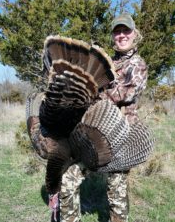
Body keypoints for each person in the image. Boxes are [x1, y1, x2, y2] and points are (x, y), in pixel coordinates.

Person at [59, 13, 148, 222]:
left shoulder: (138, 64)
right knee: (68, 179)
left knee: (116, 194)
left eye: (126, 30)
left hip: (122, 138)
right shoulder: (108, 62)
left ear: (134, 34)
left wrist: (93, 94)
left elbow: (126, 93)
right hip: (96, 136)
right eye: (117, 31)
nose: (121, 35)